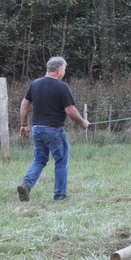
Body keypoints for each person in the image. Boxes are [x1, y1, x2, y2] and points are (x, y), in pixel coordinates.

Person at [16, 56, 90, 201]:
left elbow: (24, 105)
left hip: (37, 129)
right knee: (61, 161)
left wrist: (24, 125)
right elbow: (70, 111)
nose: (64, 72)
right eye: (64, 69)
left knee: (39, 160)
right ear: (58, 70)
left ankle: (26, 184)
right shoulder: (62, 87)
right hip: (53, 130)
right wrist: (83, 122)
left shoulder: (34, 84)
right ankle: (60, 195)